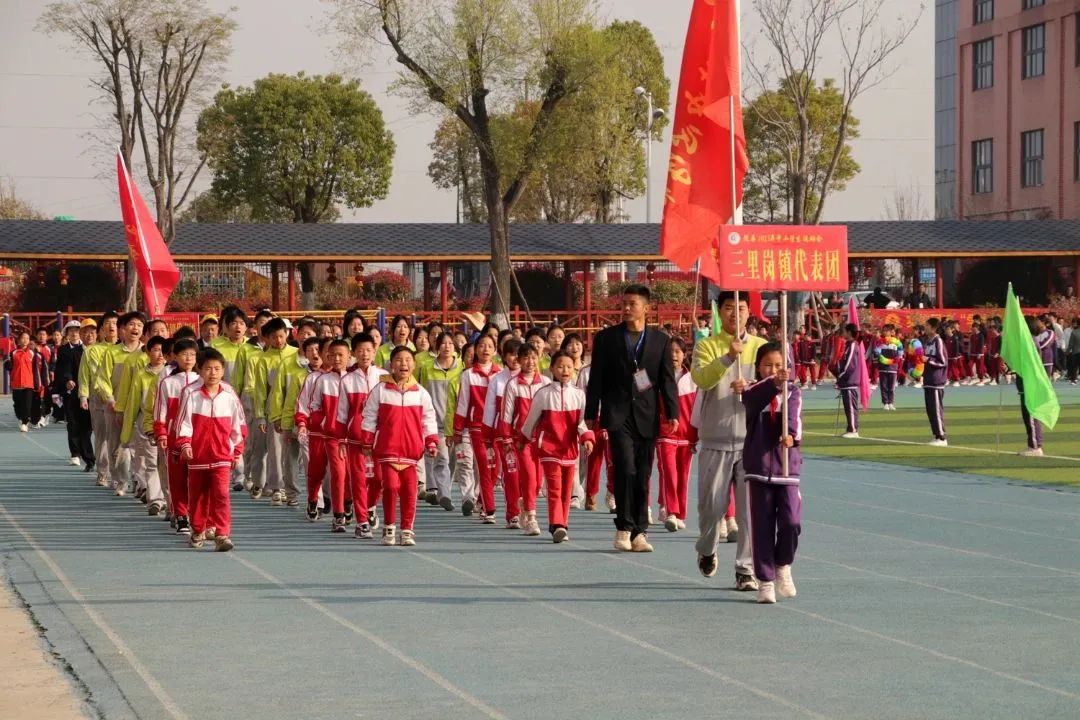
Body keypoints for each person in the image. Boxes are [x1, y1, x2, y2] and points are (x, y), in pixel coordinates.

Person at [585, 284, 678, 553]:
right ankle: (624, 528)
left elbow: (667, 381)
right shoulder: (607, 338)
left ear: (646, 308)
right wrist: (591, 413)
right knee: (625, 469)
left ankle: (640, 531)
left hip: (647, 415)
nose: (626, 308)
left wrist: (672, 413)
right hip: (617, 414)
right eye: (624, 303)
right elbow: (597, 379)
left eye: (632, 303)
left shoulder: (661, 341)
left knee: (643, 473)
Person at [688, 291, 764, 590]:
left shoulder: (761, 347)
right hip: (715, 440)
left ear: (749, 313)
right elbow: (702, 379)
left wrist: (753, 386)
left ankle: (745, 569)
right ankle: (707, 549)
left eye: (741, 308)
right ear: (721, 312)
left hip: (751, 441)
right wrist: (728, 357)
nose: (736, 314)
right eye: (730, 308)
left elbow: (774, 385)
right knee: (711, 509)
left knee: (748, 512)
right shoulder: (707, 346)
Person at [738, 342, 803, 605]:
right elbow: (750, 401)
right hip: (758, 467)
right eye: (768, 365)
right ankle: (765, 581)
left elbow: (795, 419)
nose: (774, 370)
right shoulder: (754, 391)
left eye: (779, 366)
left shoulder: (793, 392)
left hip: (787, 466)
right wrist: (772, 383)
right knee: (761, 525)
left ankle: (783, 564)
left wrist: (790, 436)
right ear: (758, 367)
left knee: (791, 522)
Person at [360, 346, 439, 547]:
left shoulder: (421, 393)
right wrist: (367, 440)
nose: (403, 364)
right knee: (391, 487)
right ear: (390, 364)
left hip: (412, 453)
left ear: (414, 364)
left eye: (407, 360)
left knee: (410, 491)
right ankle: (389, 527)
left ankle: (407, 530)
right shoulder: (380, 390)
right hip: (387, 449)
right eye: (398, 360)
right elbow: (369, 416)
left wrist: (431, 441)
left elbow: (429, 419)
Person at [175, 347, 246, 552]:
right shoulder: (191, 394)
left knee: (222, 494)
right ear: (200, 370)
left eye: (216, 369)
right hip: (197, 456)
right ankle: (198, 529)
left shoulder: (229, 395)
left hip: (222, 456)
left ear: (223, 370)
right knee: (198, 496)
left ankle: (222, 534)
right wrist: (185, 445)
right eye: (208, 369)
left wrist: (236, 450)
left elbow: (238, 425)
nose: (212, 373)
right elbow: (184, 424)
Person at [522, 351, 595, 543]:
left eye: (569, 367)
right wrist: (524, 438)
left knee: (566, 490)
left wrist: (587, 438)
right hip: (549, 448)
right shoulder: (543, 394)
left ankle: (561, 524)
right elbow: (531, 420)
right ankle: (557, 524)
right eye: (561, 366)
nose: (565, 370)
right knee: (554, 487)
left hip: (570, 449)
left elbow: (581, 423)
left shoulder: (579, 395)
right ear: (552, 368)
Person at [334, 332, 386, 536]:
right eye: (360, 351)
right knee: (358, 480)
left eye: (369, 350)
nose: (365, 354)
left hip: (380, 437)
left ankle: (371, 506)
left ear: (375, 352)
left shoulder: (384, 376)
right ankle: (362, 521)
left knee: (379, 479)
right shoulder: (347, 380)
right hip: (355, 438)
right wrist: (341, 439)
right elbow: (342, 413)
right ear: (354, 354)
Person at [152, 338, 201, 533]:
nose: (188, 358)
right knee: (177, 477)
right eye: (183, 354)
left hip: (198, 437)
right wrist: (161, 433)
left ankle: (196, 514)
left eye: (192, 354)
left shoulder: (202, 381)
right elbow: (160, 411)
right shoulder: (168, 382)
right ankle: (180, 514)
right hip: (174, 437)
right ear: (174, 357)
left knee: (197, 478)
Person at [499, 344, 549, 536]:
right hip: (522, 440)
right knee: (528, 476)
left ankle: (525, 502)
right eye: (526, 358)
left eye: (533, 357)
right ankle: (531, 517)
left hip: (541, 439)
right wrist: (507, 438)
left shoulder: (545, 382)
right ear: (519, 361)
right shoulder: (512, 384)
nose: (530, 362)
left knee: (537, 483)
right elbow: (506, 414)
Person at [451, 334, 500, 521]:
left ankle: (481, 500)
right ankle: (489, 509)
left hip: (496, 428)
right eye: (481, 346)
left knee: (495, 469)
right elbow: (463, 403)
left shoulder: (500, 374)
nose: (485, 349)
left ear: (495, 351)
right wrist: (457, 429)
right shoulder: (468, 375)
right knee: (484, 465)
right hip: (477, 427)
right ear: (475, 350)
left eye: (489, 346)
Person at [304, 340, 350, 532]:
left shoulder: (354, 380)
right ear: (327, 357)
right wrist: (324, 422)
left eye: (341, 355)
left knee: (345, 473)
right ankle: (314, 499)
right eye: (333, 355)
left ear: (349, 356)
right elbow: (312, 406)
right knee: (317, 471)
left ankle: (343, 508)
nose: (337, 359)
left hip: (348, 437)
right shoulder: (321, 380)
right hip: (325, 434)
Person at [252, 317, 300, 505]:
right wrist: (260, 416)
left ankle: (292, 488)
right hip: (274, 409)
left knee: (292, 453)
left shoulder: (295, 354)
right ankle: (276, 487)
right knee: (275, 449)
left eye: (281, 336)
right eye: (274, 337)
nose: (278, 341)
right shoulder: (263, 360)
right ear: (267, 339)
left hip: (296, 407)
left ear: (287, 334)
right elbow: (260, 390)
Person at [417, 332, 463, 511]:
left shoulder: (462, 367)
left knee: (452, 461)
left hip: (455, 422)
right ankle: (444, 494)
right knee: (442, 458)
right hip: (435, 422)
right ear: (436, 346)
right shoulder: (427, 367)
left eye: (450, 343)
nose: (447, 346)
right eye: (443, 343)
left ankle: (445, 488)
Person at [656, 338, 697, 533]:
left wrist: (697, 434)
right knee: (669, 473)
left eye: (678, 351)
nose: (674, 355)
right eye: (670, 351)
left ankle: (681, 514)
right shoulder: (657, 377)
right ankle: (671, 511)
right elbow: (639, 387)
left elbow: (697, 408)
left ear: (684, 355)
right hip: (666, 433)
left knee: (683, 475)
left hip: (687, 434)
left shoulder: (693, 379)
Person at [482, 338, 521, 526]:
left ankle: (528, 508)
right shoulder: (497, 380)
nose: (515, 358)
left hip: (527, 436)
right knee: (511, 473)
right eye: (511, 354)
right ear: (504, 356)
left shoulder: (535, 379)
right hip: (504, 434)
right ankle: (513, 512)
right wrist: (487, 436)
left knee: (532, 478)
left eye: (518, 354)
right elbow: (489, 408)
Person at [54, 320, 94, 467]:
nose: (74, 333)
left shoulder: (89, 348)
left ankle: (86, 452)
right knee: (73, 423)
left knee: (87, 426)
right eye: (71, 330)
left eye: (77, 330)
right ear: (67, 333)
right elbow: (62, 369)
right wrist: (67, 380)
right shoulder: (63, 350)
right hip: (71, 391)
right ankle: (75, 453)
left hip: (89, 391)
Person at [5, 331, 44, 432]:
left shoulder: (32, 353)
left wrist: (37, 383)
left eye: (27, 338)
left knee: (27, 405)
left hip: (28, 384)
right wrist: (7, 364)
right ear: (18, 340)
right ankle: (20, 417)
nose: (25, 340)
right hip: (16, 383)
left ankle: (24, 422)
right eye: (23, 338)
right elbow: (9, 366)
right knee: (18, 404)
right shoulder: (13, 353)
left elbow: (35, 370)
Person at [922, 318, 949, 446]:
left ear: (933, 328)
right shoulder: (928, 341)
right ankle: (936, 434)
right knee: (930, 409)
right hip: (928, 379)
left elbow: (943, 361)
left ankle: (941, 437)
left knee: (937, 409)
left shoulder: (938, 341)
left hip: (936, 380)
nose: (925, 328)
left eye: (927, 326)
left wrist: (928, 360)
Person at [833, 323, 861, 439]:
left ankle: (853, 429)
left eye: (844, 331)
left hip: (850, 381)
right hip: (845, 382)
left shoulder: (853, 345)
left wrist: (841, 377)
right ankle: (850, 428)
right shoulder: (847, 345)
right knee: (847, 406)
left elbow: (850, 365)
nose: (843, 333)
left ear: (849, 332)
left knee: (850, 406)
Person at [874, 325, 902, 411]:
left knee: (891, 387)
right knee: (884, 386)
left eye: (887, 331)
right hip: (883, 367)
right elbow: (876, 351)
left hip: (893, 368)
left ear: (891, 332)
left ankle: (891, 402)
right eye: (884, 331)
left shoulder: (896, 342)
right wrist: (879, 355)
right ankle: (885, 403)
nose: (885, 332)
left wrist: (898, 358)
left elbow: (900, 353)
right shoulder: (880, 341)